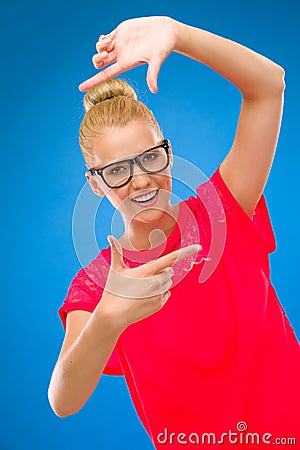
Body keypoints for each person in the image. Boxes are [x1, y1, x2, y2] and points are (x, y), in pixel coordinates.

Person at [48, 16, 300, 448]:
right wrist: (107, 322)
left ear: (168, 152)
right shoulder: (99, 284)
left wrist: (178, 34)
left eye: (150, 158)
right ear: (95, 182)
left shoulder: (225, 210)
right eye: (117, 170)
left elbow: (269, 85)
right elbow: (63, 400)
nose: (141, 180)